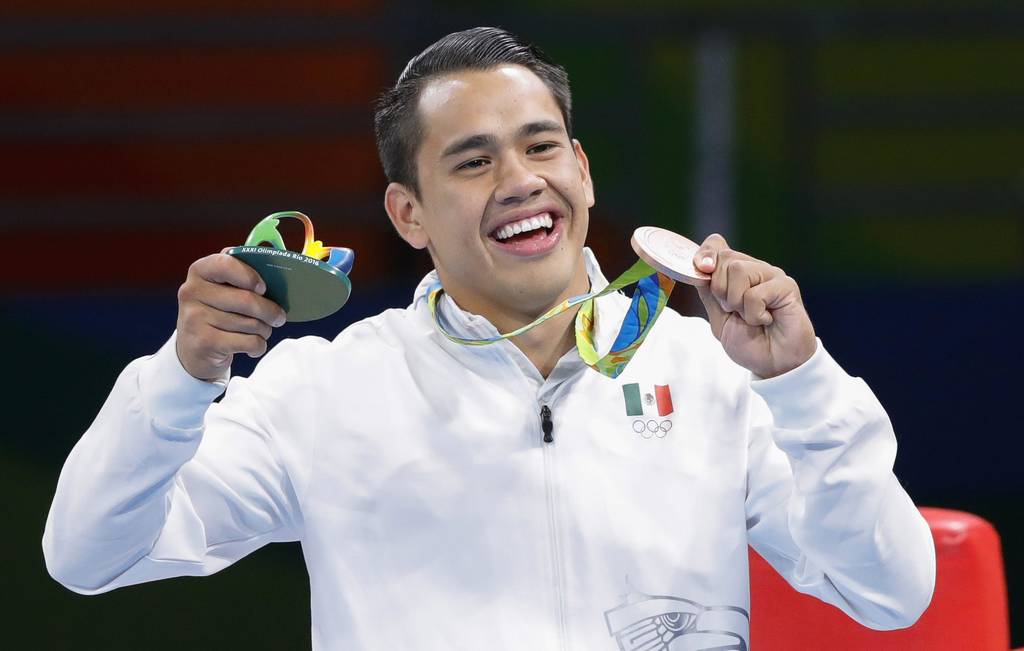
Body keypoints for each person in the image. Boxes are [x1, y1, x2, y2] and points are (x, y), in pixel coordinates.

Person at [43, 27, 935, 650]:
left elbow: (891, 592)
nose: (519, 180)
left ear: (581, 170)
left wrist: (802, 381)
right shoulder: (323, 394)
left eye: (541, 147)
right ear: (408, 213)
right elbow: (90, 554)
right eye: (473, 161)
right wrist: (183, 375)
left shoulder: (716, 375)